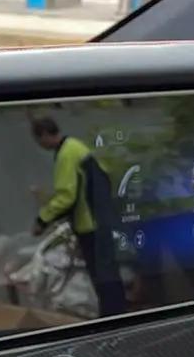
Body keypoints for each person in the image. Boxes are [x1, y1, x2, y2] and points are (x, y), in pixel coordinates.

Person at [30, 115, 125, 315]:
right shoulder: (77, 147)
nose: (39, 145)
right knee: (108, 273)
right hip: (100, 220)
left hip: (90, 224)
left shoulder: (66, 154)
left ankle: (112, 318)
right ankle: (116, 314)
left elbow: (66, 196)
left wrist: (42, 220)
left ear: (45, 134)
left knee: (102, 276)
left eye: (38, 140)